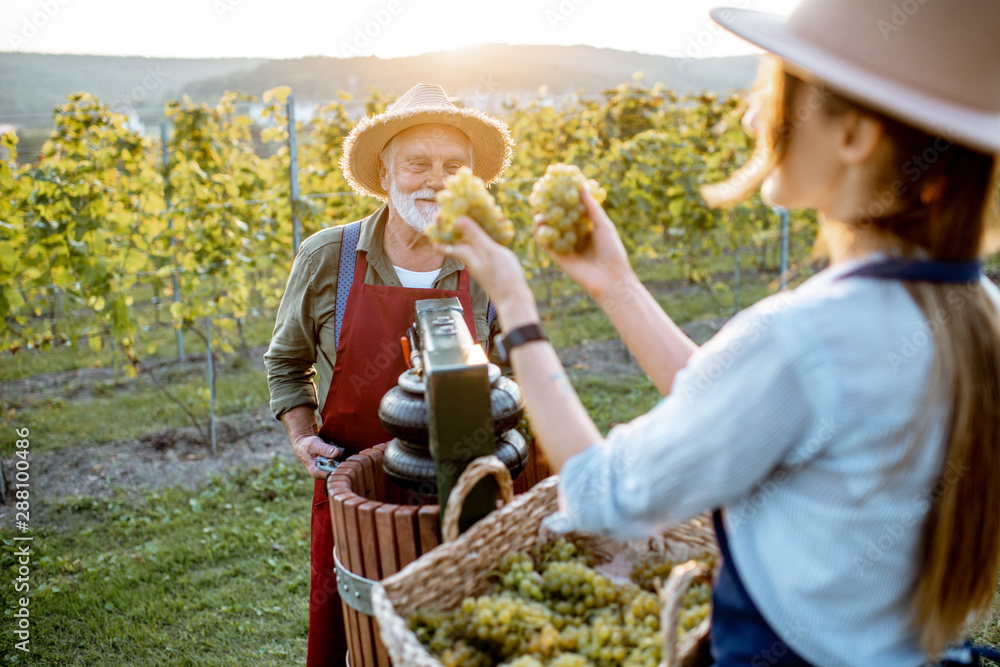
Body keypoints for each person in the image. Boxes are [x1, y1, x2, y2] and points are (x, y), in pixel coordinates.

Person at [439, 0, 1000, 664]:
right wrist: (614, 284)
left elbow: (599, 493)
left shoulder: (803, 335)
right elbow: (737, 404)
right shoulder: (977, 310)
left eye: (775, 88)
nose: (752, 114)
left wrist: (515, 307)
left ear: (854, 135)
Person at [263, 83, 512, 666]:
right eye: (417, 163)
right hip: (354, 494)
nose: (436, 179)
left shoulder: (489, 259)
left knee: (459, 636)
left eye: (454, 165)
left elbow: (513, 368)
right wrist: (302, 437)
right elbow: (286, 361)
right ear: (385, 171)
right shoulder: (329, 257)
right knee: (350, 632)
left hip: (464, 491)